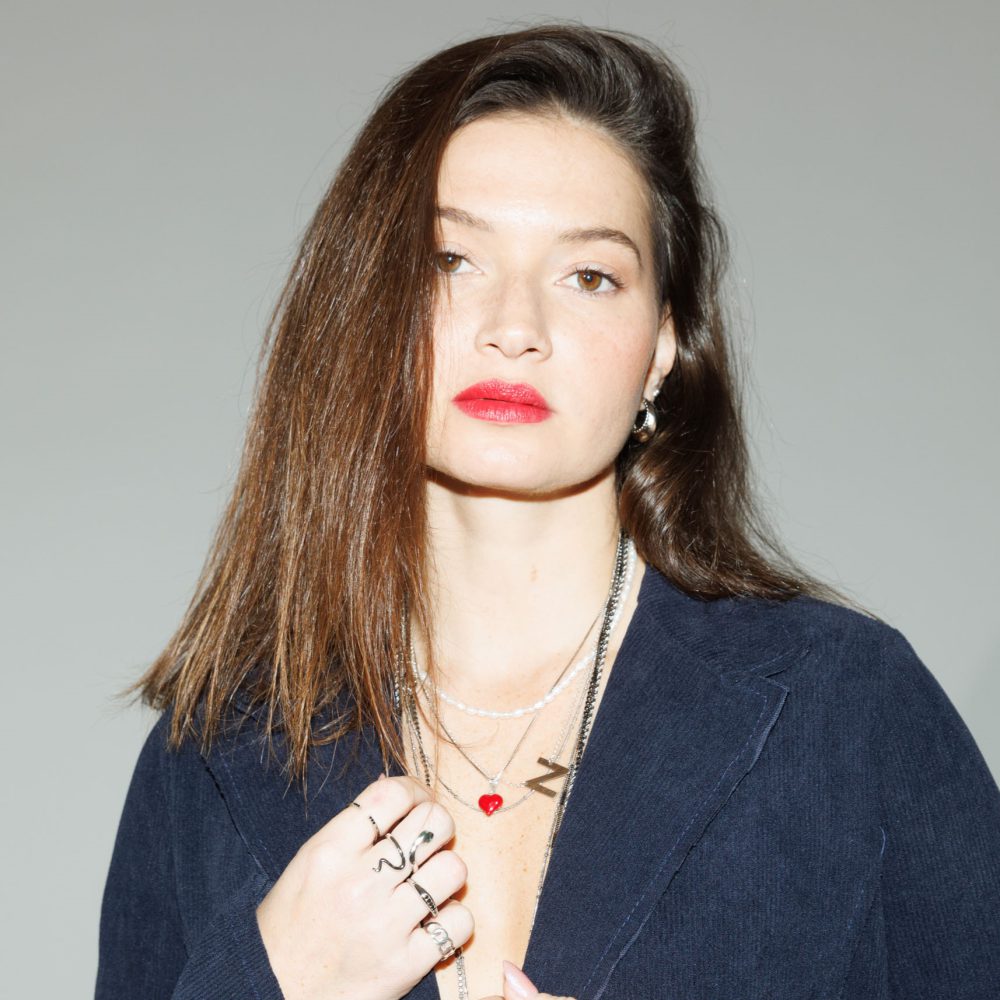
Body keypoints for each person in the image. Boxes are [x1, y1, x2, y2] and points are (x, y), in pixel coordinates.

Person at [94, 22, 1000, 1000]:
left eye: (589, 276)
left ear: (661, 347)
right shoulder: (212, 753)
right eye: (450, 260)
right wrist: (270, 981)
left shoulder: (847, 712)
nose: (515, 328)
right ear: (366, 307)